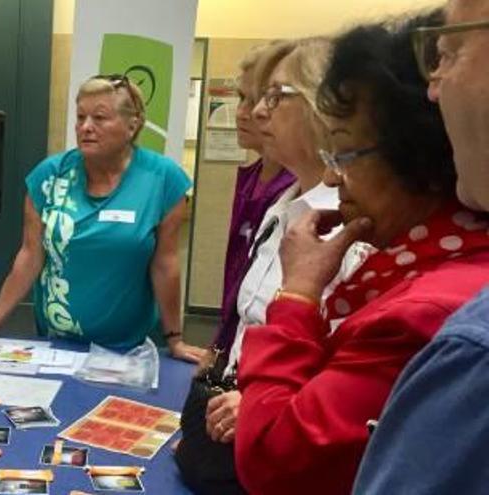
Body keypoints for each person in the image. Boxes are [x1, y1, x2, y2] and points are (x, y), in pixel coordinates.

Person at [233, 11, 489, 495]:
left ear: (418, 157)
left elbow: (277, 457)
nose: (333, 178)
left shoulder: (420, 310)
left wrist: (298, 297)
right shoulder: (409, 262)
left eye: (345, 153)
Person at [175, 38, 367, 494]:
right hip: (240, 435)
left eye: (276, 97)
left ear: (325, 106)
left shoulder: (349, 224)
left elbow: (356, 368)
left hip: (284, 445)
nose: (258, 112)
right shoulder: (284, 205)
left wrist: (265, 403)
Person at [0, 75, 202, 362]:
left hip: (129, 347)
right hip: (57, 342)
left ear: (132, 125)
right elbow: (30, 256)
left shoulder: (163, 178)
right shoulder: (49, 175)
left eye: (99, 118)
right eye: (80, 117)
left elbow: (166, 263)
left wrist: (175, 339)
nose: (86, 127)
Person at [353, 2, 489, 493]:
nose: (434, 88)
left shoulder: (468, 346)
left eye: (447, 53)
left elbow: (282, 450)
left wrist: (297, 300)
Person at [213, 43, 295, 354]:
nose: (245, 112)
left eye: (259, 99)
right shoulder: (252, 177)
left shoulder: (297, 192)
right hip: (232, 344)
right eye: (242, 99)